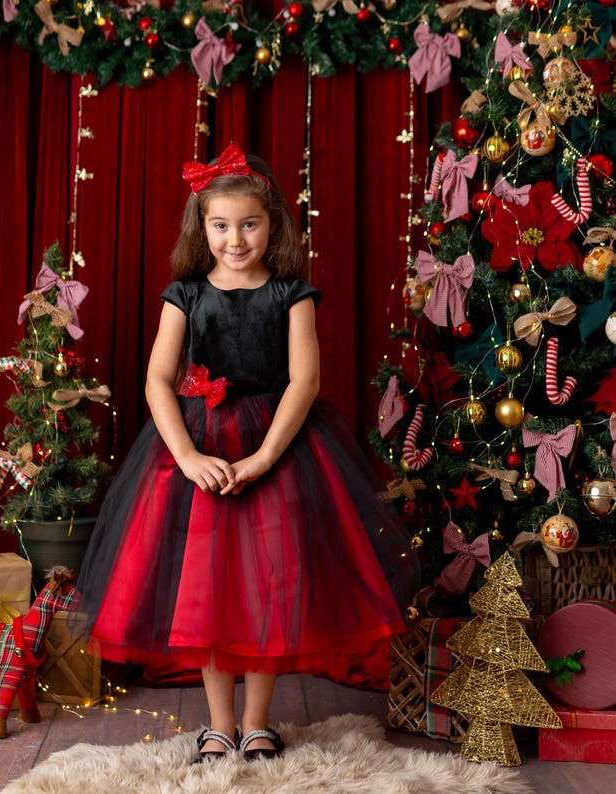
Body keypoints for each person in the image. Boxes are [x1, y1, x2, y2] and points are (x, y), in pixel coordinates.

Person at [74, 142, 419, 763]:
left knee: (268, 587)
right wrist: (185, 457)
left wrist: (262, 459)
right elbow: (157, 380)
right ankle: (218, 724)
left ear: (273, 224)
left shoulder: (293, 295)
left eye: (250, 224)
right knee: (205, 591)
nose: (236, 238)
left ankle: (258, 723)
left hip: (278, 450)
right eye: (221, 225)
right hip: (198, 450)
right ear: (202, 227)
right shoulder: (185, 294)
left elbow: (304, 383)